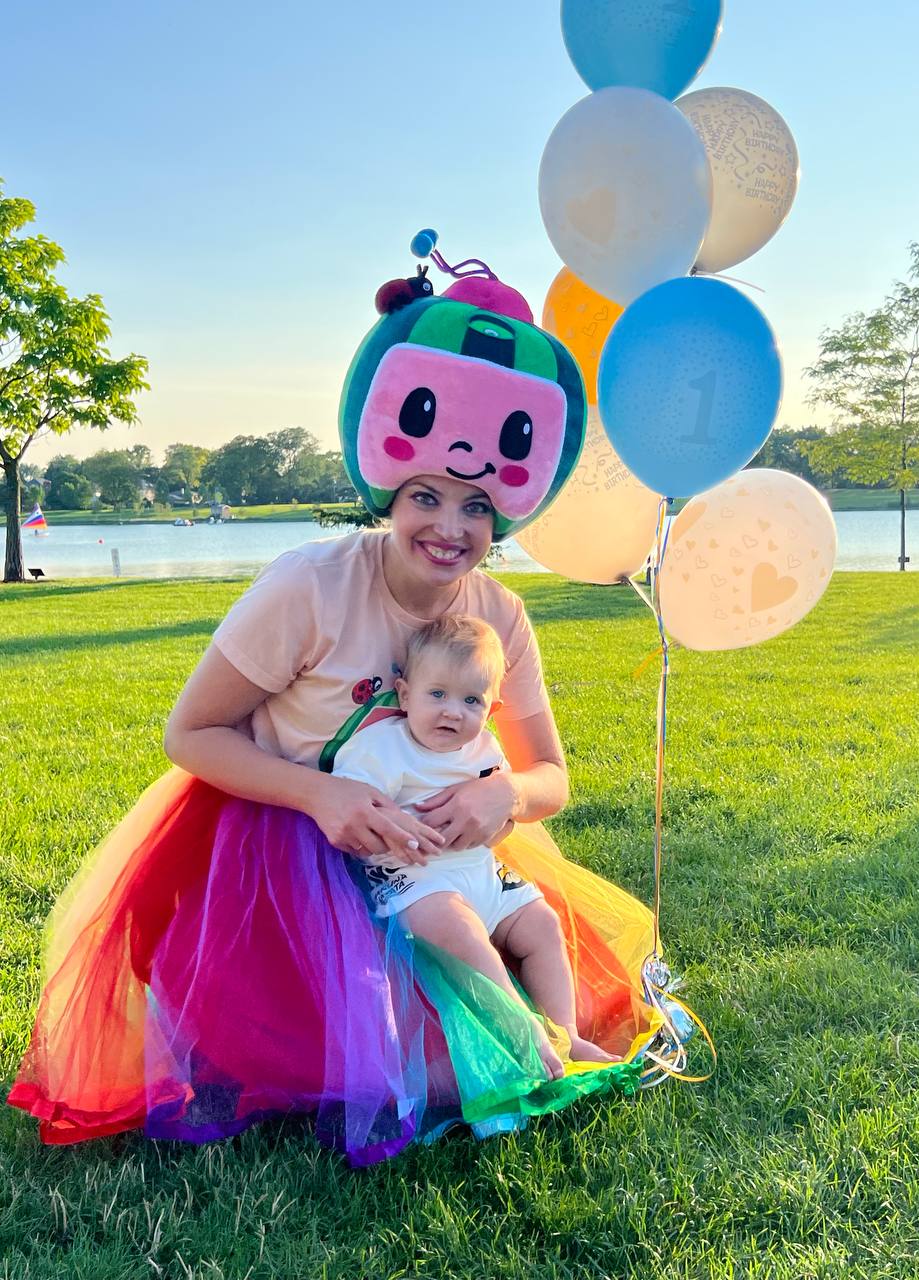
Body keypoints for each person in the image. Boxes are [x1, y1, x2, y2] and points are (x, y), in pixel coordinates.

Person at [9, 251, 660, 1165]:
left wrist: (503, 798)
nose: (450, 527)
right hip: (283, 839)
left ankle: (535, 1036)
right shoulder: (311, 586)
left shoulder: (500, 616)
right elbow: (188, 733)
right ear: (388, 487)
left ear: (507, 514)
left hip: (437, 845)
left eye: (478, 507)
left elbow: (551, 774)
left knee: (506, 964)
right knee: (390, 1067)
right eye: (426, 496)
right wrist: (321, 798)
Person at [333, 613, 617, 1078]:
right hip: (414, 877)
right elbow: (356, 807)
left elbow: (505, 811)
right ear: (405, 695)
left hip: (479, 869)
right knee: (459, 930)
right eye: (437, 694)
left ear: (491, 708)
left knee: (542, 923)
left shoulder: (485, 749)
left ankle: (567, 1033)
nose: (452, 711)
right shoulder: (382, 749)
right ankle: (521, 1027)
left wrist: (502, 821)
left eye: (471, 700)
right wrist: (398, 825)